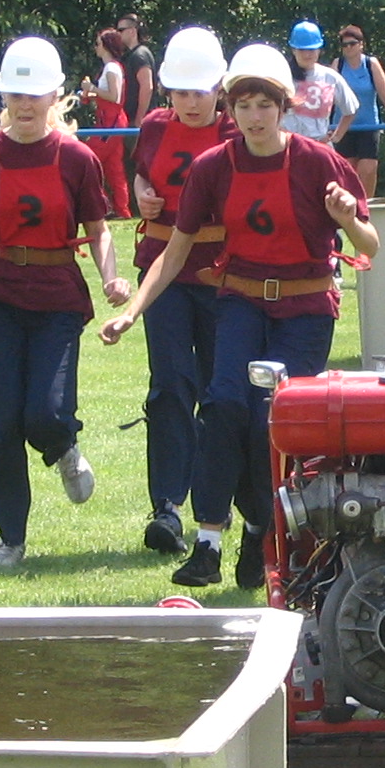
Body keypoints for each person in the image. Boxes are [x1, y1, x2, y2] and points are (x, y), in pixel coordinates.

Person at [100, 44, 378, 591]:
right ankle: (207, 542)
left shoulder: (318, 161)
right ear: (233, 108)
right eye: (245, 105)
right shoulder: (214, 167)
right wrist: (133, 310)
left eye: (265, 106)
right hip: (242, 302)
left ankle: (261, 534)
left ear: (284, 106)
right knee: (223, 405)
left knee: (269, 424)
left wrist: (348, 218)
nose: (254, 117)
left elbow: (371, 243)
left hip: (304, 310)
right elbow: (176, 250)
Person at [0, 36, 128, 569]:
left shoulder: (77, 157)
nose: (25, 105)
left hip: (56, 296)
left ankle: (64, 447)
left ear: (56, 97)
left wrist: (111, 279)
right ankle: (10, 536)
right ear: (4, 96)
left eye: (36, 95)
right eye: (16, 94)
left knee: (46, 413)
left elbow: (99, 230)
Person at [128, 27, 233, 555]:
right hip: (164, 270)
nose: (190, 103)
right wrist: (142, 192)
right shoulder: (153, 127)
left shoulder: (240, 130)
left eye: (200, 91)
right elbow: (141, 176)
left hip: (223, 274)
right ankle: (166, 507)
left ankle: (215, 507)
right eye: (180, 92)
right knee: (169, 384)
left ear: (220, 86)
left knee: (220, 392)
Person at [331, 24, 385, 198]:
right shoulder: (337, 65)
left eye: (352, 44)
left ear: (361, 44)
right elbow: (327, 98)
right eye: (344, 45)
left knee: (368, 169)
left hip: (368, 126)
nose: (348, 48)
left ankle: (367, 207)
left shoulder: (371, 64)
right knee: (348, 171)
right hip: (344, 127)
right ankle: (348, 213)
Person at [79, 27, 133, 219]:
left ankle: (106, 205)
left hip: (110, 122)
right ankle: (122, 210)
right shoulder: (112, 67)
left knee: (89, 159)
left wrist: (91, 88)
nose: (95, 47)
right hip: (110, 121)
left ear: (106, 46)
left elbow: (115, 97)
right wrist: (90, 95)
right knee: (113, 167)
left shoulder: (111, 67)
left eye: (98, 43)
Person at [280, 21, 358, 146]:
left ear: (319, 49)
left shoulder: (330, 77)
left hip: (319, 146)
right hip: (288, 146)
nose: (307, 54)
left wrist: (335, 137)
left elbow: (351, 109)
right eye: (302, 49)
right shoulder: (281, 76)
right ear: (293, 50)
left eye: (311, 49)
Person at [117, 13, 157, 121]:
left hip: (140, 122)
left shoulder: (140, 55)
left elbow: (147, 87)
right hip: (129, 119)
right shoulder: (129, 55)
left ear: (132, 31)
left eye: (121, 30)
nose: (118, 34)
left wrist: (139, 119)